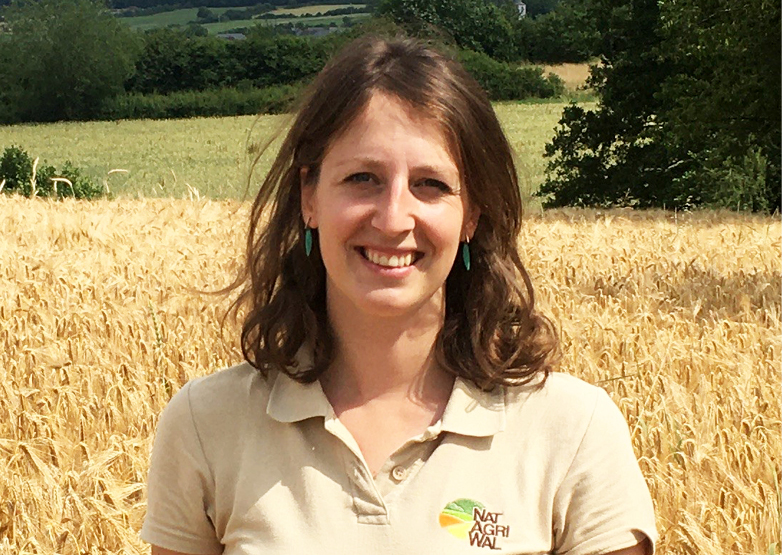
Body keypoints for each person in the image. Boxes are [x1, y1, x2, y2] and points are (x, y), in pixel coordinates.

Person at [141, 36, 658, 555]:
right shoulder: (207, 425)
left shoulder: (571, 431)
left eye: (430, 184)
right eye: (362, 178)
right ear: (308, 197)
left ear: (472, 215)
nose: (392, 219)